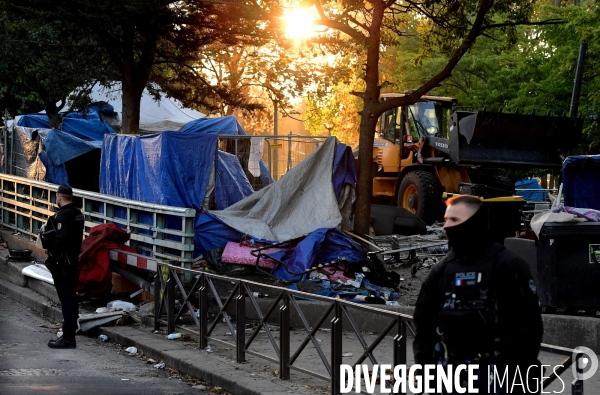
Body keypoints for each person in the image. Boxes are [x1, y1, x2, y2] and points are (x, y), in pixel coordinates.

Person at [413, 195, 543, 394]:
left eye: (455, 220)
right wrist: (432, 376)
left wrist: (516, 375)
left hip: (503, 375)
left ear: (474, 221)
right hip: (456, 375)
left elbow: (529, 326)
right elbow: (424, 325)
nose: (446, 226)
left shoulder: (508, 266)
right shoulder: (441, 271)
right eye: (446, 220)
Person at [40, 184, 85, 349]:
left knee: (67, 300)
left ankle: (68, 338)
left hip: (63, 264)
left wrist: (51, 255)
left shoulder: (64, 216)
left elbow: (60, 240)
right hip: (72, 261)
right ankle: (69, 334)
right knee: (71, 298)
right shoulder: (78, 214)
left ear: (59, 197)